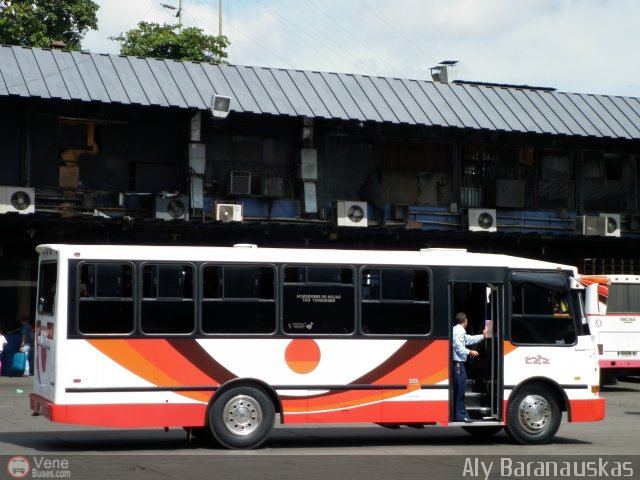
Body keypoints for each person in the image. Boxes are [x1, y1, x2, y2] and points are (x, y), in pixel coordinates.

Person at [452, 312, 486, 422]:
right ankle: (461, 416)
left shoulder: (455, 329)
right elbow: (458, 346)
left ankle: (458, 414)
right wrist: (469, 352)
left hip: (457, 364)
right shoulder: (460, 331)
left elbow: (469, 339)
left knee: (459, 390)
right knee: (460, 390)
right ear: (465, 321)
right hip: (458, 363)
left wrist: (482, 336)